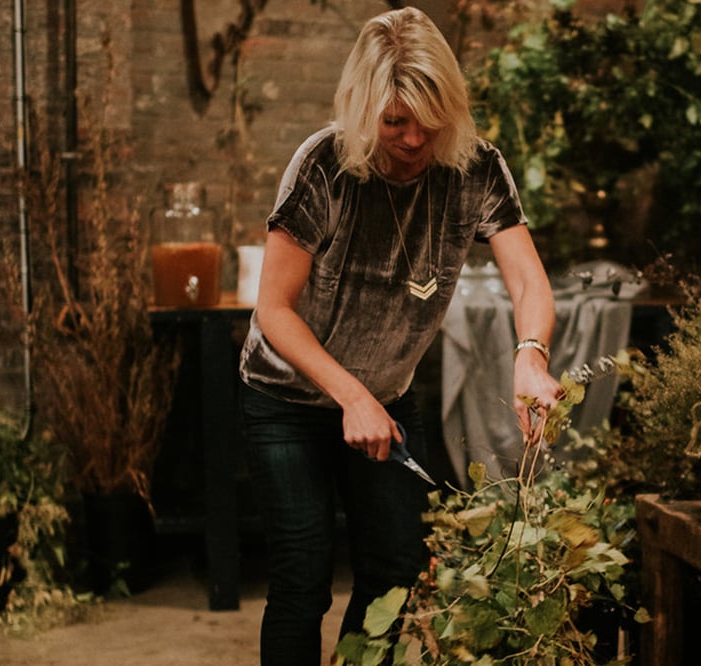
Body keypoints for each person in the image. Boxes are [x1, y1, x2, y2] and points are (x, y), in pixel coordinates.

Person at [237, 7, 562, 665]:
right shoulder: (323, 165)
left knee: (394, 569)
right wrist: (350, 396)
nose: (414, 140)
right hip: (287, 402)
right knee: (303, 576)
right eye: (395, 122)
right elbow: (273, 310)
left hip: (386, 398)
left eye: (429, 120)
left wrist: (530, 355)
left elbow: (528, 280)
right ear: (364, 111)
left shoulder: (473, 167)